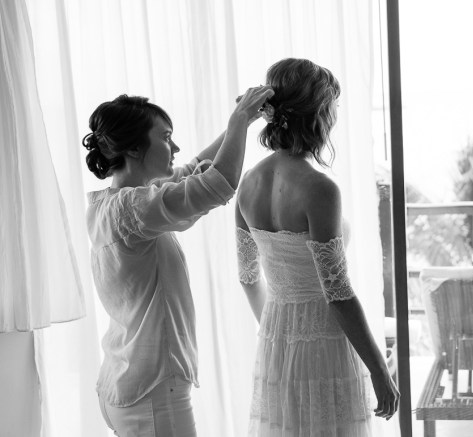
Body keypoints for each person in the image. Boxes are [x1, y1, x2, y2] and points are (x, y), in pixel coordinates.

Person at [83, 87, 273, 437]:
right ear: (134, 149)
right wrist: (239, 118)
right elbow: (217, 184)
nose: (176, 147)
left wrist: (243, 124)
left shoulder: (109, 204)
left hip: (124, 381)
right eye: (166, 137)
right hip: (152, 393)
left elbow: (189, 171)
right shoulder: (132, 208)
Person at [235, 58, 400, 436]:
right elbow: (337, 292)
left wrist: (279, 331)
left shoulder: (248, 183)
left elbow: (247, 276)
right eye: (333, 106)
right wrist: (379, 370)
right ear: (319, 113)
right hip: (324, 341)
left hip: (275, 340)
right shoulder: (319, 188)